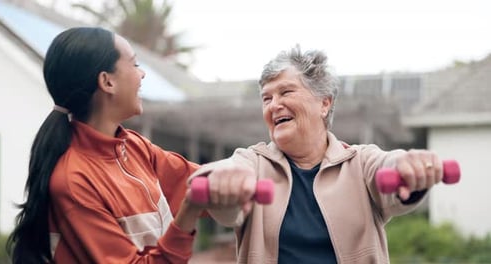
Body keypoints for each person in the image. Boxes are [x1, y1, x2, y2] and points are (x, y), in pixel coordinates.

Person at [188, 45, 445, 263]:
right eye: (267, 98)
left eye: (286, 92)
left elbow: (387, 165)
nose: (274, 104)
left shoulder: (360, 162)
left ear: (324, 103)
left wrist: (406, 165)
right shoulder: (253, 162)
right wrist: (222, 180)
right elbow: (225, 172)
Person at [6, 27, 206, 263]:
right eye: (134, 64)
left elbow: (205, 180)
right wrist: (189, 212)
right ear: (107, 81)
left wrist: (254, 165)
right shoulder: (74, 180)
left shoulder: (134, 147)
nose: (142, 75)